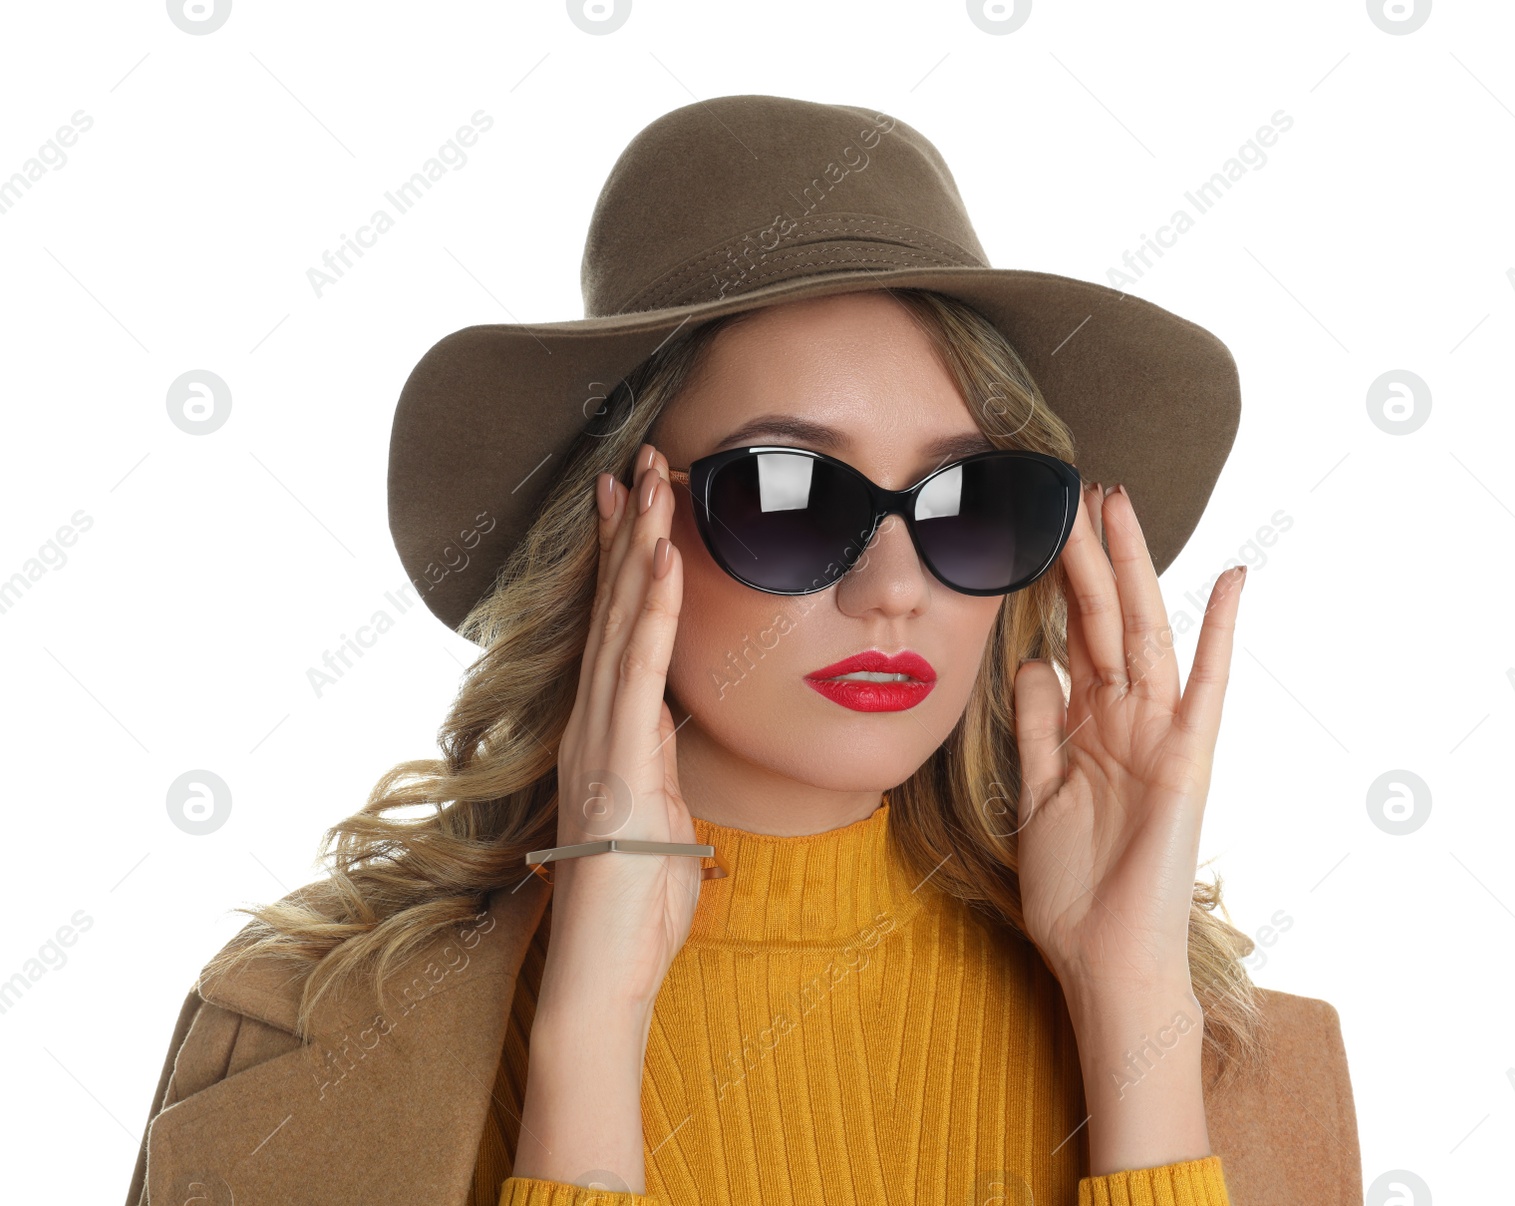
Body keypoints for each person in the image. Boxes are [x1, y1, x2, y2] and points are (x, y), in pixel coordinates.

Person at [126, 96, 1359, 1206]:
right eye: (788, 500)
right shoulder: (306, 1044)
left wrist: (1132, 1000)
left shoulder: (1243, 1075)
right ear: (617, 529)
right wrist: (590, 1034)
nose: (894, 589)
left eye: (966, 503)